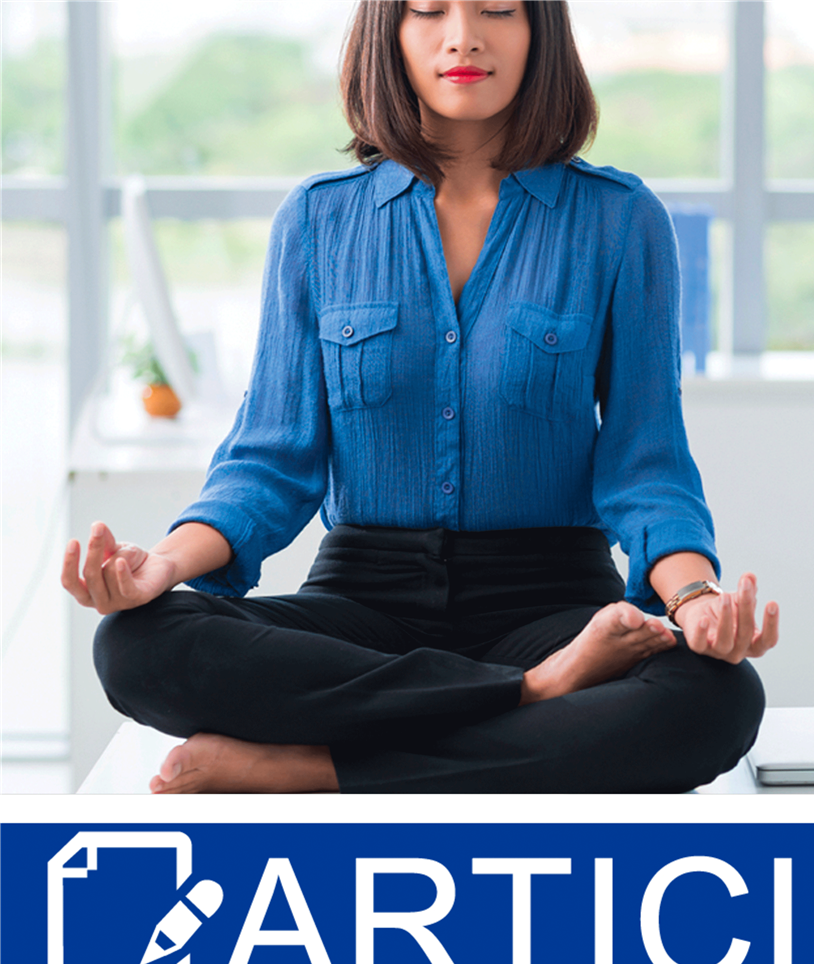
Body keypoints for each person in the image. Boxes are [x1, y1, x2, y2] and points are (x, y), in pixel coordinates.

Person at [62, 0, 777, 794]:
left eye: (497, 9)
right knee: (137, 645)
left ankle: (318, 767)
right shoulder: (318, 219)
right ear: (387, 33)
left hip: (552, 602)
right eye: (428, 10)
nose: (462, 34)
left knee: (716, 696)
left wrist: (696, 599)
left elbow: (647, 462)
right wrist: (158, 568)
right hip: (366, 608)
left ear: (540, 30)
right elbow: (270, 460)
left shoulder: (619, 219)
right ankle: (531, 697)